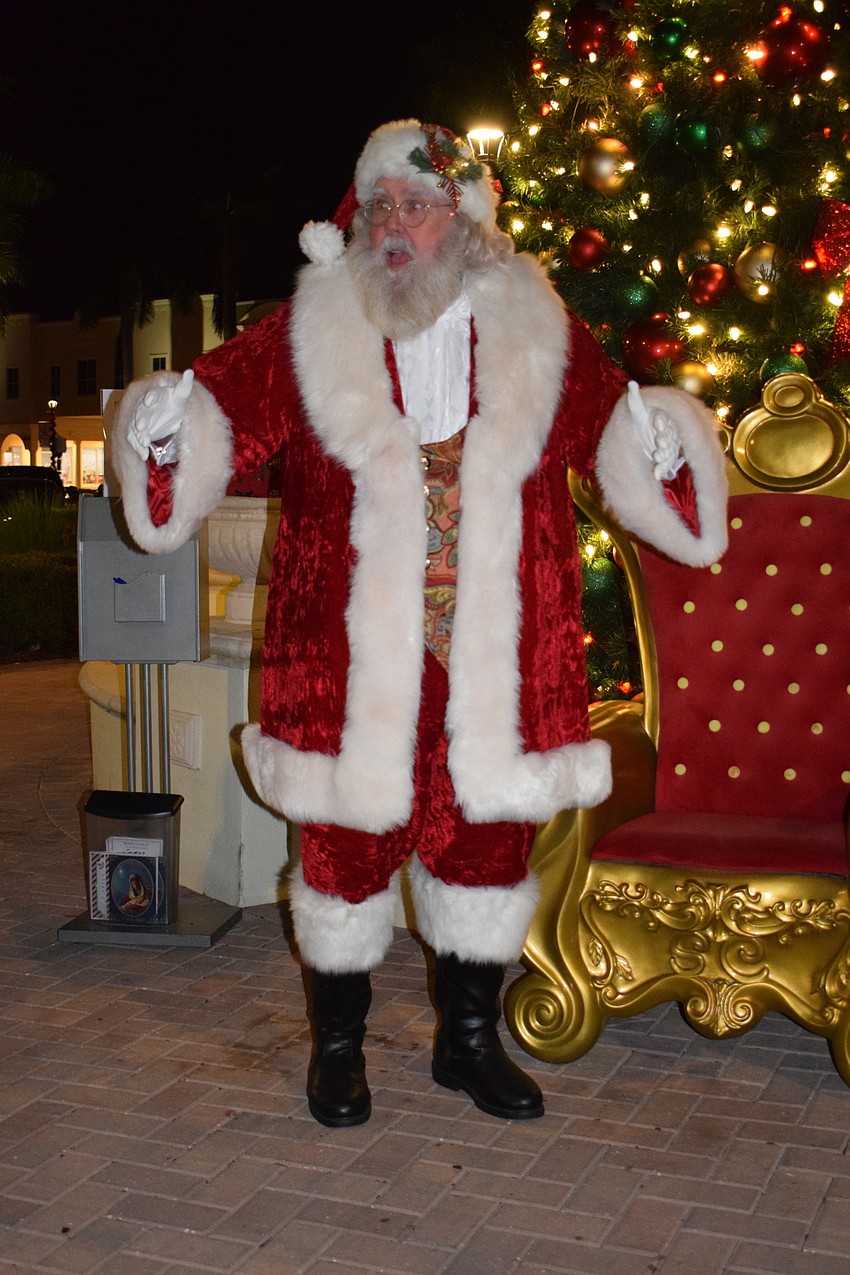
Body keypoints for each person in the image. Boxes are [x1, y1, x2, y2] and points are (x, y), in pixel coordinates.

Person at [110, 119, 728, 1127]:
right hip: (350, 661)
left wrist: (661, 447)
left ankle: (466, 1042)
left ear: (467, 219)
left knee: (486, 844)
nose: (396, 226)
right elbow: (214, 411)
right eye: (381, 206)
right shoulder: (310, 327)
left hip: (498, 652)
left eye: (420, 206)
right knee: (346, 856)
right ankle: (340, 1051)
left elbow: (622, 441)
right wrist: (163, 424)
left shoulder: (541, 334)